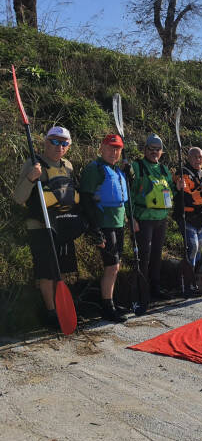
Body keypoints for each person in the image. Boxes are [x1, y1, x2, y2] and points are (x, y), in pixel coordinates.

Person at [13, 126, 81, 329]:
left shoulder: (67, 166)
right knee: (46, 272)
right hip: (40, 226)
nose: (58, 146)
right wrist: (31, 178)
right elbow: (18, 198)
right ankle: (51, 312)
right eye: (54, 141)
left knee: (60, 270)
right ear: (45, 142)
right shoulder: (33, 163)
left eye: (63, 143)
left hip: (62, 225)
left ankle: (61, 308)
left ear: (68, 147)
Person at [79, 134, 134, 323]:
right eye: (111, 148)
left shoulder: (117, 171)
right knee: (112, 266)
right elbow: (86, 200)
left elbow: (121, 196)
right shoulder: (95, 169)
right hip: (104, 224)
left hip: (118, 223)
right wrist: (95, 230)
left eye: (118, 149)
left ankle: (110, 301)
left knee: (115, 267)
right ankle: (107, 306)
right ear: (101, 148)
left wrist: (129, 176)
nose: (114, 152)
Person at [130, 134, 182, 301]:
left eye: (157, 150)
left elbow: (168, 192)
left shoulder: (164, 169)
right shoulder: (136, 167)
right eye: (151, 149)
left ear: (162, 152)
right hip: (143, 218)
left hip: (161, 219)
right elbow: (129, 194)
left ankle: (155, 287)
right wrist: (131, 218)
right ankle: (141, 290)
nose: (154, 152)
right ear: (145, 150)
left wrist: (177, 187)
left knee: (156, 255)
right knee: (143, 255)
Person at [174, 147, 202, 295]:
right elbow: (188, 198)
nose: (198, 160)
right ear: (189, 158)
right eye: (195, 157)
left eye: (200, 157)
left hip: (201, 218)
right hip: (187, 217)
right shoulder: (182, 173)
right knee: (192, 248)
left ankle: (195, 282)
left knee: (198, 251)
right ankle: (186, 283)